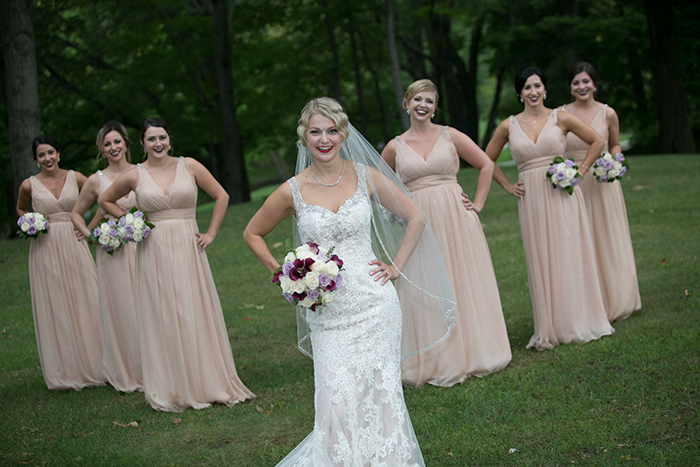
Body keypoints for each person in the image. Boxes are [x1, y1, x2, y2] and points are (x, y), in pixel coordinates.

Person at [243, 97, 456, 465]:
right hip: (327, 310)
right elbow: (252, 233)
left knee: (382, 393)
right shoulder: (292, 190)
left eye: (331, 131)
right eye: (315, 132)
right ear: (304, 137)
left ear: (343, 134)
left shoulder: (366, 175)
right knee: (336, 401)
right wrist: (286, 277)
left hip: (375, 304)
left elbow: (415, 216)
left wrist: (395, 266)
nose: (324, 140)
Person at [99, 117, 254, 412]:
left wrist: (210, 233)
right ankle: (172, 386)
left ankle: (207, 380)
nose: (158, 144)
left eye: (162, 138)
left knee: (193, 309)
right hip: (153, 250)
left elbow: (221, 195)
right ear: (142, 144)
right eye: (151, 139)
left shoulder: (190, 165)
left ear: (170, 139)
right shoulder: (136, 175)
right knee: (164, 313)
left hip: (188, 245)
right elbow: (106, 200)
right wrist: (131, 220)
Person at [381, 79, 511, 387]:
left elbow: (485, 164)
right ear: (407, 103)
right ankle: (435, 358)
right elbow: (378, 184)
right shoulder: (394, 146)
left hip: (455, 217)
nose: (423, 105)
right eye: (417, 100)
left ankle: (476, 352)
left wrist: (477, 203)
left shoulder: (449, 135)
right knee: (427, 283)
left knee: (462, 279)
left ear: (435, 106)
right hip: (421, 223)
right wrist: (398, 210)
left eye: (429, 100)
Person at [484, 67, 614, 350]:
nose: (533, 92)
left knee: (569, 251)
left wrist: (579, 171)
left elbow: (598, 141)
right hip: (531, 199)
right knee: (541, 255)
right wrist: (507, 185)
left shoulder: (561, 117)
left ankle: (579, 318)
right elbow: (486, 159)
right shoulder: (509, 125)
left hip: (562, 193)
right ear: (520, 93)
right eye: (527, 87)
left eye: (537, 86)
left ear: (545, 89)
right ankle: (550, 324)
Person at [16, 135, 107, 390]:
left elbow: (104, 198)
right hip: (45, 247)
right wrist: (32, 223)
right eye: (42, 155)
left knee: (88, 297)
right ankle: (67, 368)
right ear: (36, 159)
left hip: (75, 241)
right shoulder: (29, 185)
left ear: (58, 153)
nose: (47, 158)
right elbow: (21, 210)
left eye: (51, 152)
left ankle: (99, 363)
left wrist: (89, 227)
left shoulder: (76, 177)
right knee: (55, 302)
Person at [560, 62, 641, 321]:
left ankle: (617, 298)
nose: (581, 87)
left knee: (608, 236)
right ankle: (587, 304)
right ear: (570, 87)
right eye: (576, 82)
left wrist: (615, 162)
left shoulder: (608, 114)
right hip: (574, 183)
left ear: (595, 83)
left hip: (603, 182)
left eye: (586, 81)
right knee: (580, 240)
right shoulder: (560, 114)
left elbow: (615, 143)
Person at [70, 121, 142, 393]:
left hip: (143, 245)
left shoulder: (141, 172)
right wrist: (90, 236)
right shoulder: (94, 181)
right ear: (102, 148)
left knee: (148, 302)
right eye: (107, 144)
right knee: (123, 308)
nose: (113, 147)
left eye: (117, 142)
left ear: (126, 143)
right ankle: (129, 369)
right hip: (114, 252)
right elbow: (75, 214)